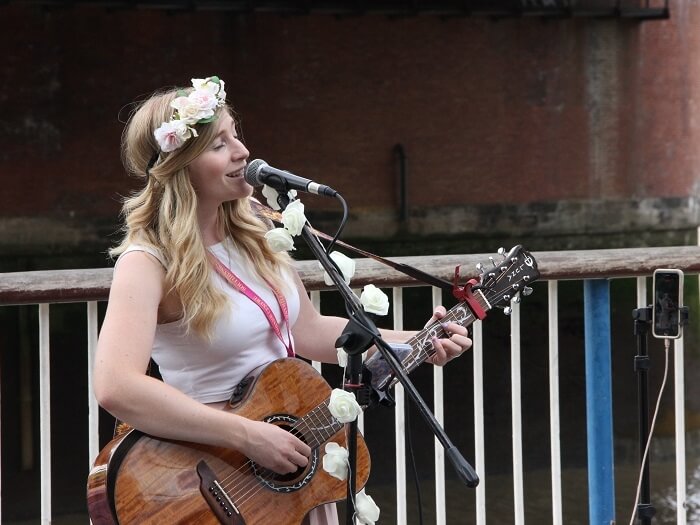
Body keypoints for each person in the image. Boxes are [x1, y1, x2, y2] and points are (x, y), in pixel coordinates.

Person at [92, 75, 472, 525]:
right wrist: (249, 436)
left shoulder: (257, 233)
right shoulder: (148, 260)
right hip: (209, 477)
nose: (242, 152)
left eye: (237, 135)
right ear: (181, 168)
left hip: (289, 470)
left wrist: (414, 342)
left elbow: (307, 331)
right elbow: (116, 386)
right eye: (219, 145)